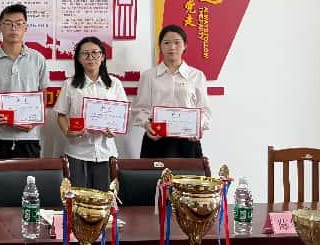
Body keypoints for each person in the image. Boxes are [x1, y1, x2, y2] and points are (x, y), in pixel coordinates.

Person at [0, 4, 49, 159]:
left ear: (26, 27)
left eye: (19, 23)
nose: (13, 28)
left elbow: (43, 95)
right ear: (0, 27)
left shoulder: (38, 59)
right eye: (8, 23)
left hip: (29, 138)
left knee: (29, 175)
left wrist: (34, 121)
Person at [54, 37, 126, 191]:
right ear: (79, 59)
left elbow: (122, 115)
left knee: (103, 199)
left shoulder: (115, 84)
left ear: (103, 56)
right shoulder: (70, 84)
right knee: (77, 198)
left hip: (106, 152)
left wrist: (114, 131)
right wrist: (67, 131)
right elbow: (61, 115)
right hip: (77, 151)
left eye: (95, 53)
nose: (91, 57)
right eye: (85, 54)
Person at [133, 24, 211, 158]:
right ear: (160, 46)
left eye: (177, 42)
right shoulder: (149, 76)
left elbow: (204, 110)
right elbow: (140, 108)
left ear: (185, 45)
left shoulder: (196, 75)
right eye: (166, 43)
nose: (172, 47)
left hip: (187, 140)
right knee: (152, 173)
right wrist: (146, 124)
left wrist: (198, 126)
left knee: (189, 172)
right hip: (156, 138)